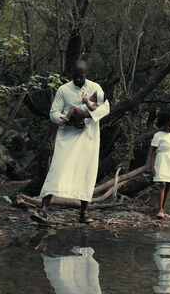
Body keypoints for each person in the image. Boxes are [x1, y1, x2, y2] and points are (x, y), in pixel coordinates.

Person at [33, 60, 110, 224]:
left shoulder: (95, 87)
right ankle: (44, 210)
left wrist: (86, 115)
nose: (79, 79)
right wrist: (68, 120)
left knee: (86, 172)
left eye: (81, 76)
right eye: (76, 76)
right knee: (57, 169)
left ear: (86, 74)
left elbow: (106, 107)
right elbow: (53, 113)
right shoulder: (63, 89)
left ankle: (83, 213)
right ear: (72, 75)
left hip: (88, 137)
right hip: (67, 137)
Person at [147, 110, 170, 219]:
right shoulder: (158, 135)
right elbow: (152, 151)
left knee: (168, 185)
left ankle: (163, 208)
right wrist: (151, 165)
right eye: (169, 125)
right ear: (163, 124)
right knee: (161, 185)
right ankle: (160, 209)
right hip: (162, 161)